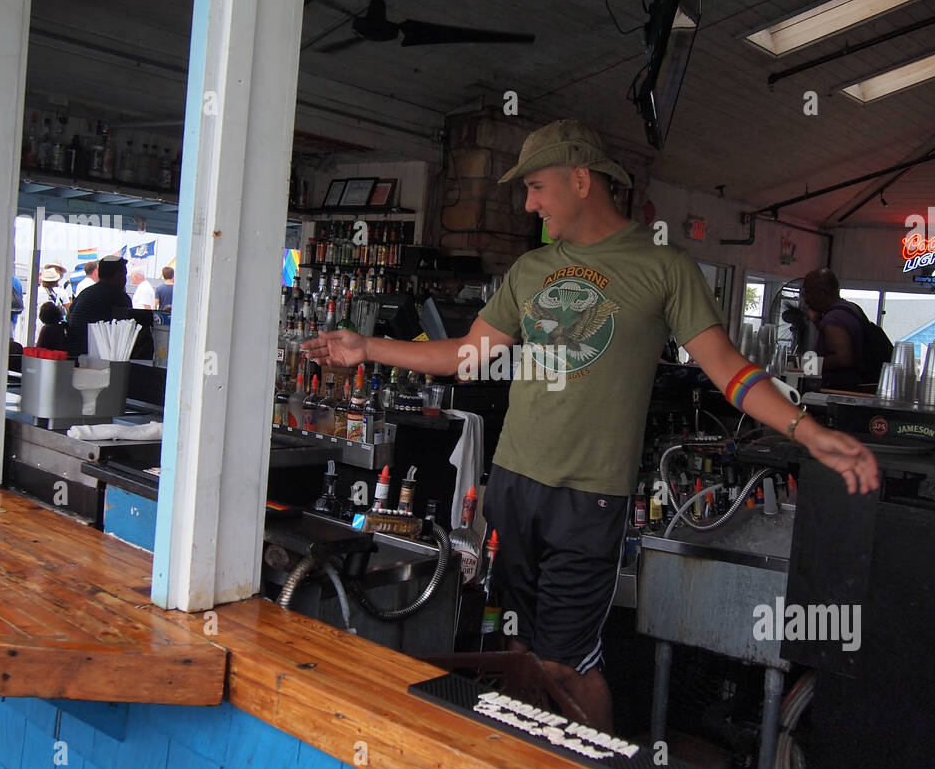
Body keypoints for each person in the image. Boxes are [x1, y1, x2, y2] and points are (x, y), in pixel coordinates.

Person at [303, 119, 879, 732]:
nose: (529, 204)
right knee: (520, 650)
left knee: (567, 666)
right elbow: (465, 356)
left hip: (589, 497)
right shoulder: (530, 270)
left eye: (537, 188)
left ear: (581, 180)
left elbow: (727, 370)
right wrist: (367, 347)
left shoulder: (663, 267)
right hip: (514, 483)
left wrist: (807, 429)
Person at [800, 268, 870, 390]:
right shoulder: (852, 308)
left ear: (821, 293)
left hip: (838, 389)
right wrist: (817, 321)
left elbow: (843, 359)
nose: (805, 299)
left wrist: (807, 365)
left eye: (807, 292)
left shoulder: (833, 319)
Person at [67, 256, 132, 358]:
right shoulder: (119, 297)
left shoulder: (85, 293)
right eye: (124, 274)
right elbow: (124, 331)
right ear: (118, 275)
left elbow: (69, 316)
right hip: (98, 358)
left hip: (74, 353)